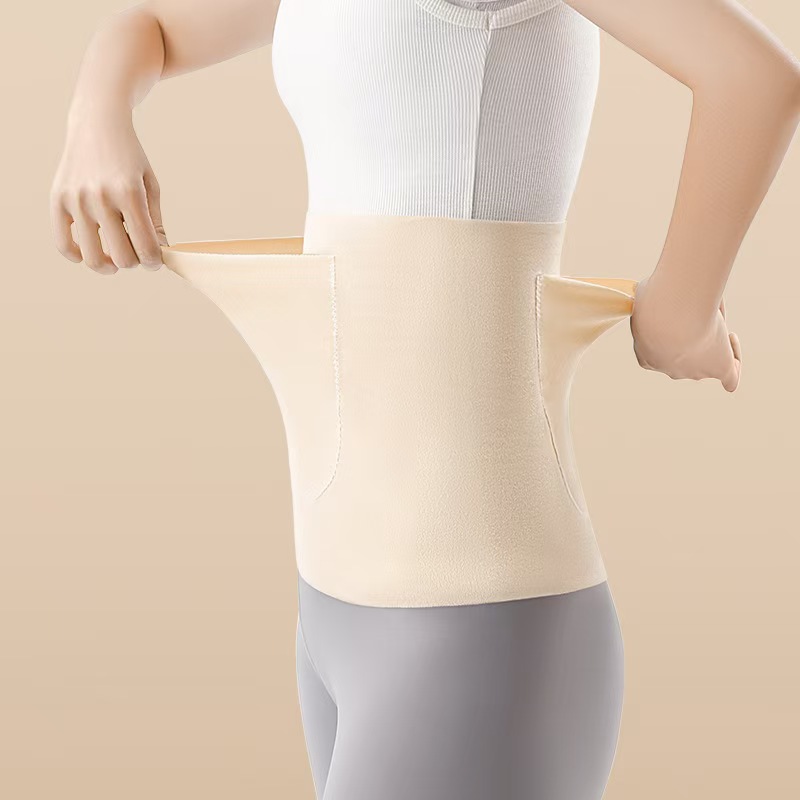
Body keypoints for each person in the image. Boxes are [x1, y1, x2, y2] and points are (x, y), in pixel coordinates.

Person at [49, 1, 799, 798]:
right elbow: (150, 29)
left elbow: (752, 79)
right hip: (334, 609)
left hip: (471, 620)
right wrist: (96, 115)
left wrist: (681, 316)